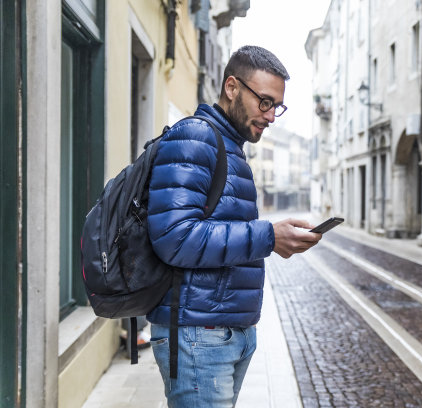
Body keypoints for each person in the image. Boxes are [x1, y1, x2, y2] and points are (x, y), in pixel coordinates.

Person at [146, 46, 322, 407]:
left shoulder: (229, 147)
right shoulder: (195, 138)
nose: (272, 116)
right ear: (231, 87)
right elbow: (175, 238)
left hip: (223, 331)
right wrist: (269, 236)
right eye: (265, 102)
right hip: (198, 333)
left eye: (277, 106)